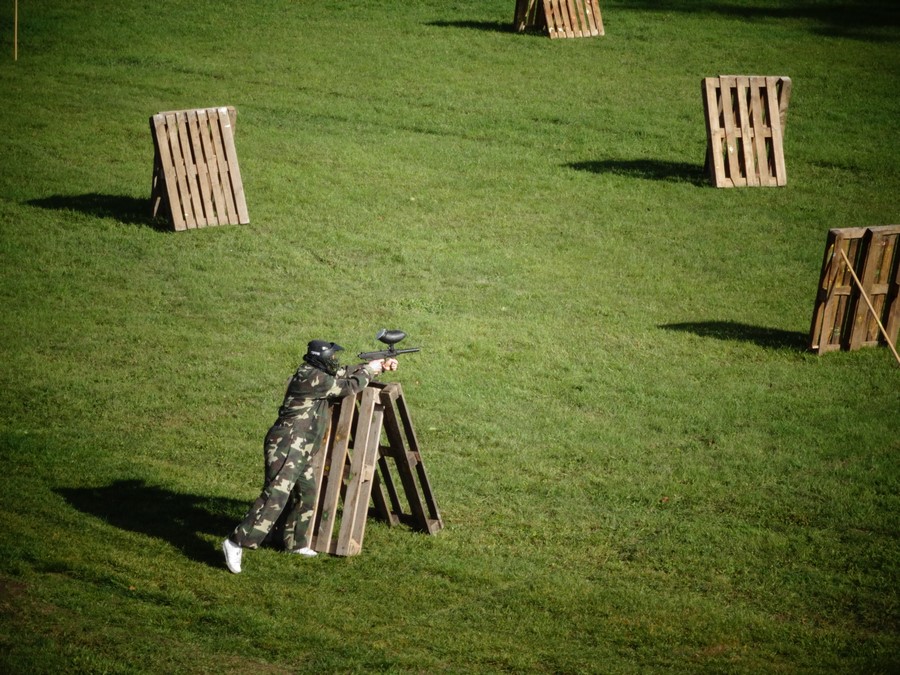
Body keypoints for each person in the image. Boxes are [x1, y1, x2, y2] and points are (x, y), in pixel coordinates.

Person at [222, 339, 398, 574]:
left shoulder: (316, 372)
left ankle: (295, 543)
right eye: (331, 357)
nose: (334, 360)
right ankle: (236, 542)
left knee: (306, 493)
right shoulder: (313, 378)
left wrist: (376, 366)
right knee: (276, 495)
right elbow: (348, 386)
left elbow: (344, 373)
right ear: (321, 358)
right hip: (288, 445)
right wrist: (369, 370)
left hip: (301, 446)